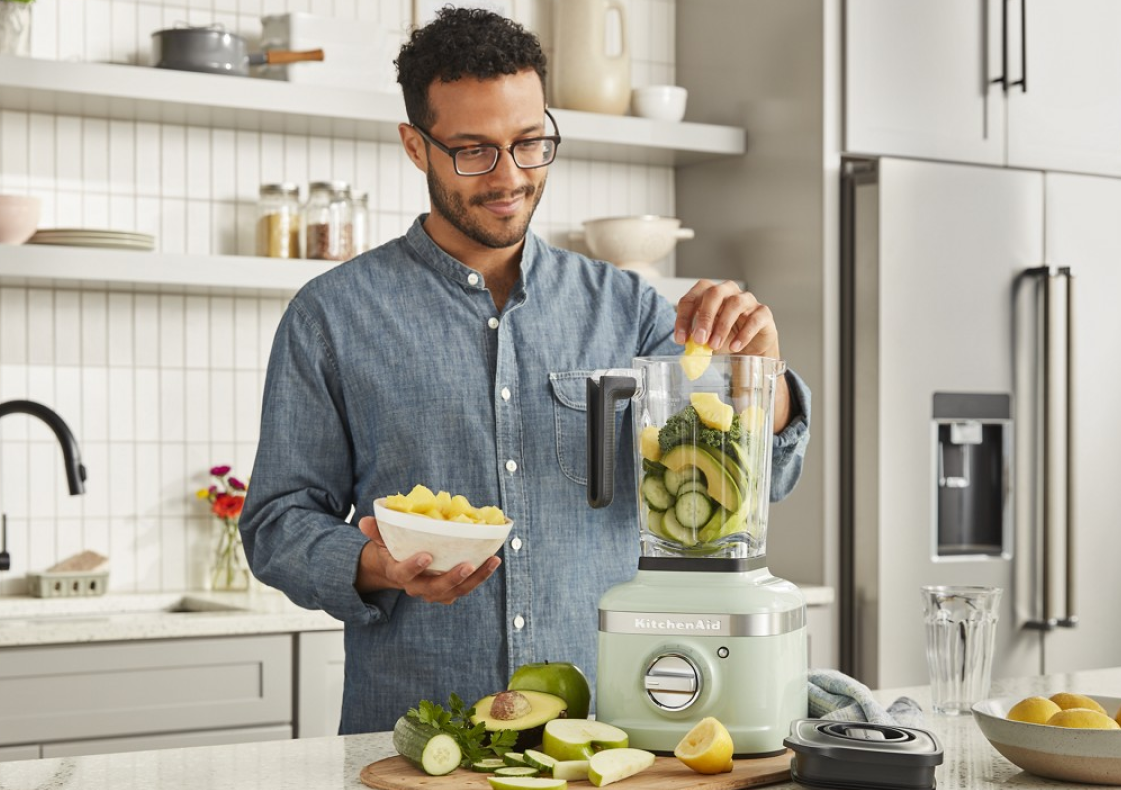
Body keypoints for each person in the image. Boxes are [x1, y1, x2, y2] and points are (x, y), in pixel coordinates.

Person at [240, 7, 812, 735]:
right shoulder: (332, 316)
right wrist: (377, 563)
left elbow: (739, 483)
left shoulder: (630, 309)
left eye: (531, 143)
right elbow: (276, 524)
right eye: (474, 150)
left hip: (607, 733)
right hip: (419, 735)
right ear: (416, 146)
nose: (510, 177)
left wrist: (761, 379)